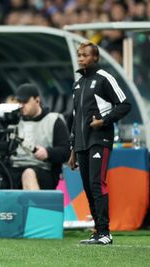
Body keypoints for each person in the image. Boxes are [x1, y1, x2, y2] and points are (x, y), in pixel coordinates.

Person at [68, 42, 131, 245]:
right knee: (88, 187)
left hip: (99, 139)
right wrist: (72, 150)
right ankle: (98, 231)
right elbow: (75, 118)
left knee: (97, 184)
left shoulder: (105, 78)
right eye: (79, 55)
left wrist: (103, 122)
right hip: (82, 143)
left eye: (85, 55)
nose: (80, 58)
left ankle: (105, 232)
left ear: (95, 57)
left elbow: (125, 104)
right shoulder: (77, 84)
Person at [10, 83, 70, 190]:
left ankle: (34, 206)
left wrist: (48, 152)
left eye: (25, 102)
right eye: (19, 102)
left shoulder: (54, 120)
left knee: (28, 174)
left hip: (43, 169)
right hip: (15, 167)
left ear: (37, 100)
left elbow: (66, 152)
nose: (21, 106)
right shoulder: (14, 120)